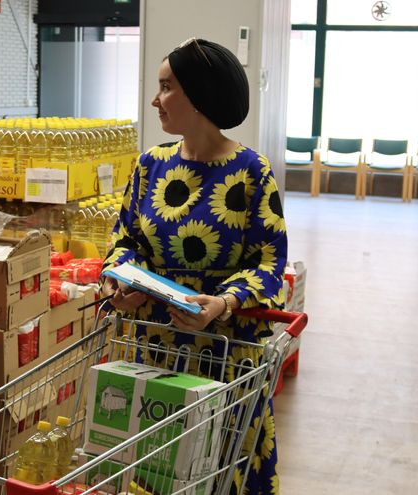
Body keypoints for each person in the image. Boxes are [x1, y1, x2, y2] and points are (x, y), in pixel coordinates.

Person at [100, 38, 288, 495]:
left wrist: (221, 302)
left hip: (223, 353)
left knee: (219, 472)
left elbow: (268, 263)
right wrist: (118, 282)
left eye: (166, 87)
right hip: (152, 351)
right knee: (154, 472)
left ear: (199, 96)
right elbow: (124, 240)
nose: (154, 99)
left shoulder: (251, 173)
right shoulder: (150, 166)